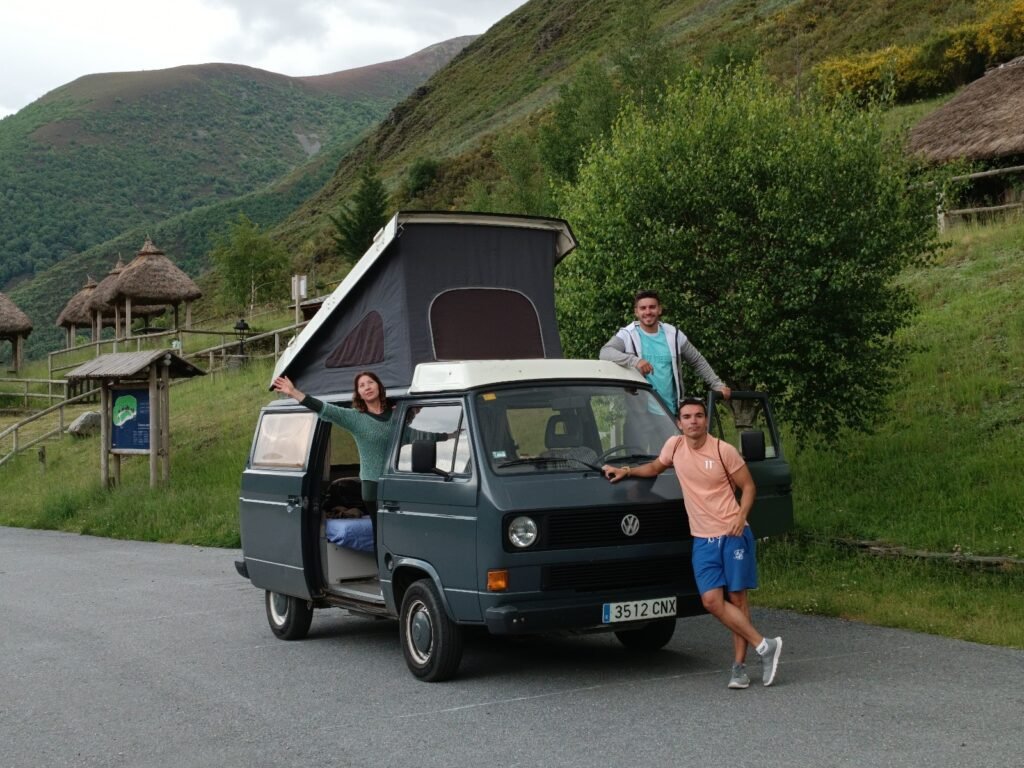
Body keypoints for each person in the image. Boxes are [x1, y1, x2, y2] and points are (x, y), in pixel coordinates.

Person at [602, 397, 783, 689]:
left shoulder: (723, 450)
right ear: (679, 422)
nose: (693, 421)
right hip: (702, 537)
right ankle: (765, 645)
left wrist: (741, 516)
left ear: (705, 420)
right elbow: (655, 467)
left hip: (732, 534)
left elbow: (749, 486)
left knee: (736, 599)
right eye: (687, 417)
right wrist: (627, 471)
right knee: (711, 601)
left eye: (698, 416)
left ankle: (739, 668)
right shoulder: (674, 446)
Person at [272, 371, 394, 558]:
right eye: (361, 386)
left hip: (397, 482)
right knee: (383, 534)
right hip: (373, 485)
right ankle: (385, 576)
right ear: (358, 394)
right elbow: (325, 409)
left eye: (370, 382)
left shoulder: (397, 413)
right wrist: (294, 392)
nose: (367, 387)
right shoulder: (356, 418)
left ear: (379, 386)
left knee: (399, 533)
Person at [600, 290, 731, 417]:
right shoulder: (627, 334)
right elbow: (605, 352)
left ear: (659, 309)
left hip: (671, 413)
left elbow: (697, 360)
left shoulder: (674, 334)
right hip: (639, 415)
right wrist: (635, 361)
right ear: (636, 312)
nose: (648, 312)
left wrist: (717, 385)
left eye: (652, 307)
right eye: (643, 308)